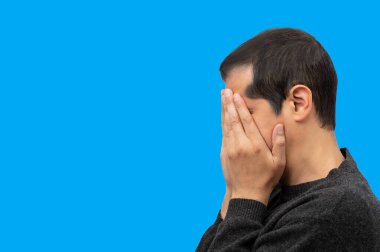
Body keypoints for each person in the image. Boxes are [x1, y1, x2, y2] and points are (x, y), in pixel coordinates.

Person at [196, 28, 380, 251]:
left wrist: (245, 197)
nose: (234, 129)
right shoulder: (269, 191)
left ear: (298, 103)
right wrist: (234, 190)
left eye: (245, 112)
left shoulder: (334, 212)